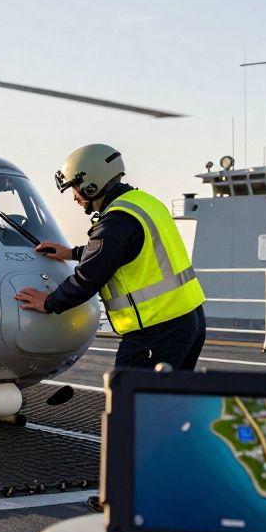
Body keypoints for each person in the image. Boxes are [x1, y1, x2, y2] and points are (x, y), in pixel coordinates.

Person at [13, 144, 207, 372]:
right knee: (171, 393)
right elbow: (124, 249)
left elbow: (88, 278)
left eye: (74, 187)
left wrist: (48, 302)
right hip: (190, 318)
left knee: (127, 391)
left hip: (155, 329)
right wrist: (73, 253)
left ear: (90, 184)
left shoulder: (115, 221)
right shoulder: (144, 203)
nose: (74, 197)